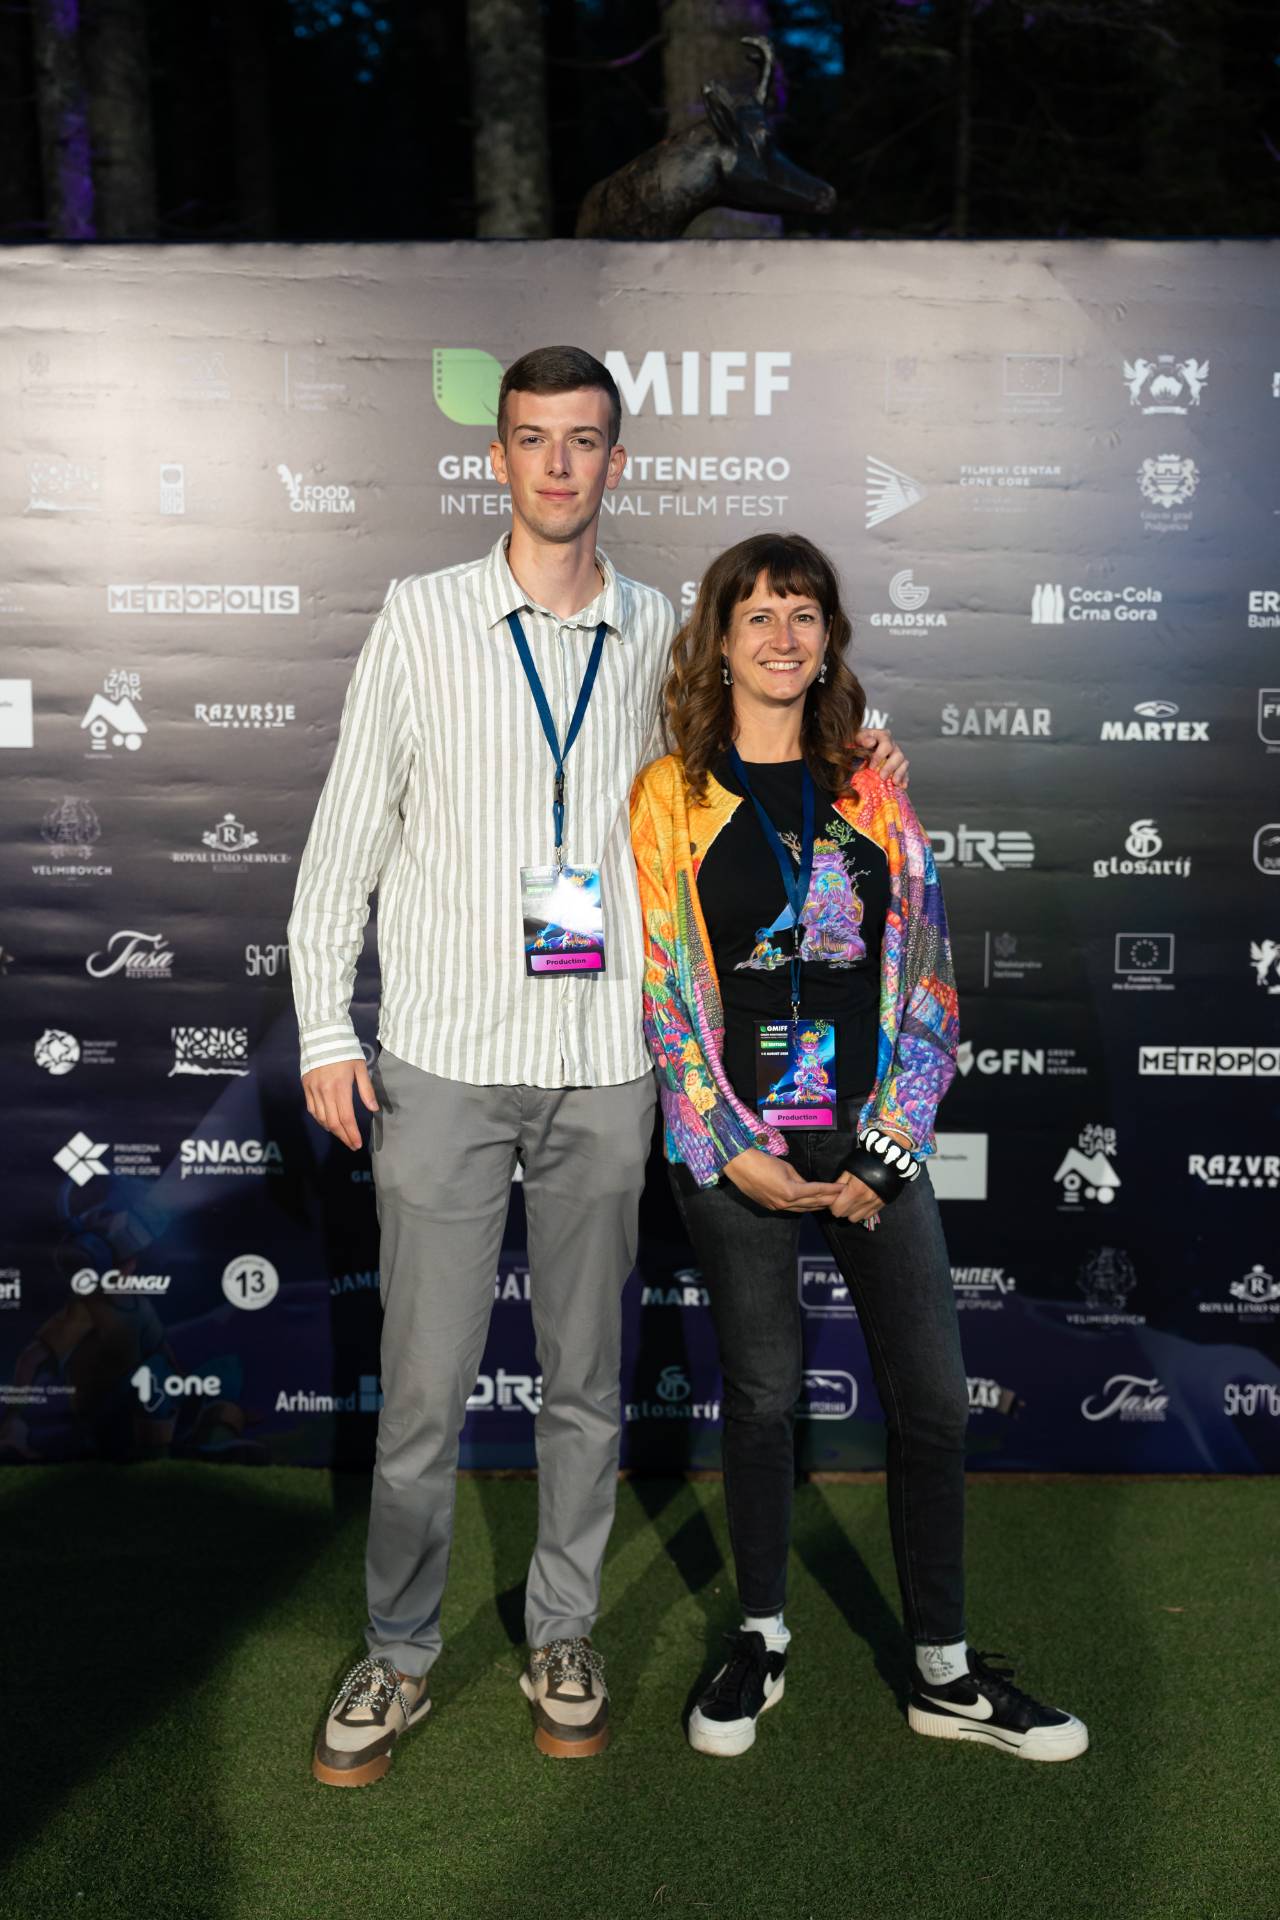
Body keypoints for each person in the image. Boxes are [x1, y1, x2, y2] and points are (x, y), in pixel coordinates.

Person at [287, 347, 908, 1784]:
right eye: (532, 439)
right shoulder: (422, 617)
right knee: (422, 1391)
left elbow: (763, 754)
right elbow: (344, 840)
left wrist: (856, 750)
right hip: (443, 1057)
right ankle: (399, 1654)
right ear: (495, 458)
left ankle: (562, 1633)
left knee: (584, 1383)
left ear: (616, 463)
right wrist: (325, 1025)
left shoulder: (665, 638)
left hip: (606, 1066)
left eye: (583, 441)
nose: (558, 465)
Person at [630, 531, 1088, 1764]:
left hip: (869, 1140)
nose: (782, 637)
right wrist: (727, 1145)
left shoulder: (869, 787)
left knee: (930, 1402)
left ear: (827, 639)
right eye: (757, 615)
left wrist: (887, 1149)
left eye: (804, 615)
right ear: (718, 642)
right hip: (736, 1149)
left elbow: (926, 970)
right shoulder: (669, 794)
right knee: (762, 1398)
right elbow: (663, 990)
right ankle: (760, 1637)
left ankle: (942, 1672)